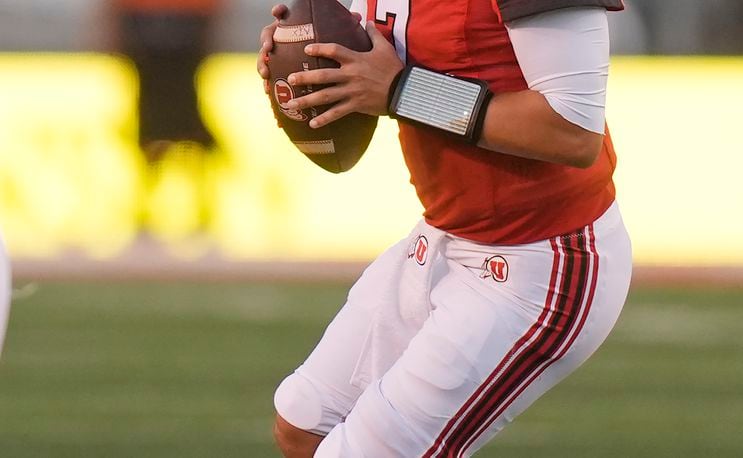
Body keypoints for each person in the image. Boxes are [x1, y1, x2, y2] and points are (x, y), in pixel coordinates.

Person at [258, 0, 632, 456]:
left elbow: (572, 132)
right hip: (446, 232)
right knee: (304, 426)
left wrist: (402, 91)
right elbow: (374, 45)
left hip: (541, 259)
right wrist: (304, 51)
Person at [105, 0, 222, 160]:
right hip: (174, 15)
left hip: (183, 15)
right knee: (163, 91)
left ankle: (159, 146)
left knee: (170, 91)